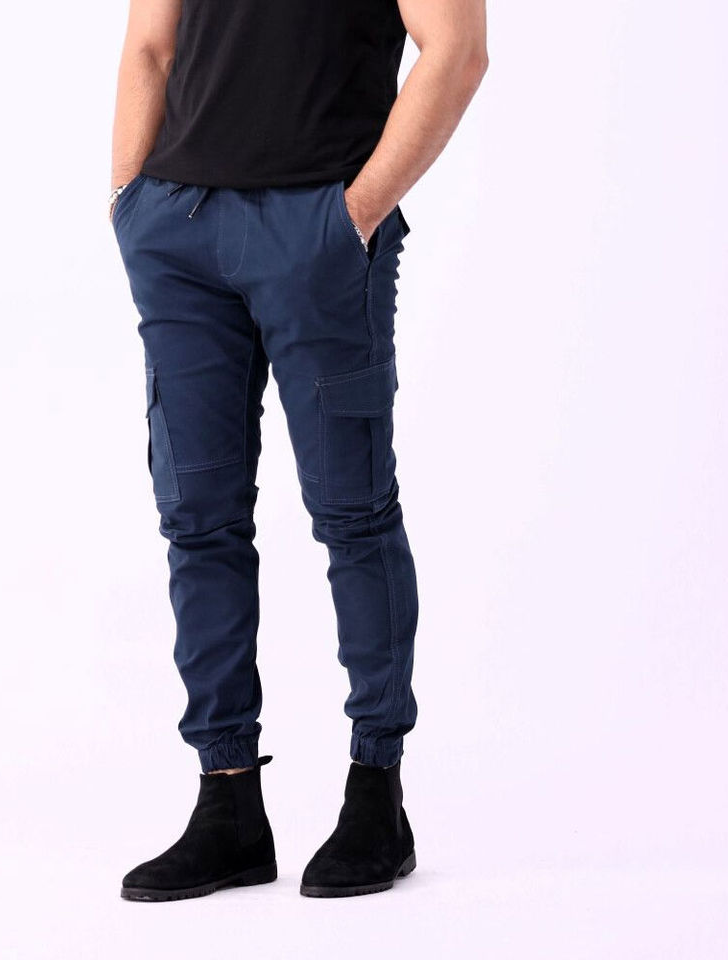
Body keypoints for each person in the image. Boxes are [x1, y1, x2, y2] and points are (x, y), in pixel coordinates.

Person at [109, 0, 488, 901]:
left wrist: (353, 215)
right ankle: (228, 805)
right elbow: (151, 45)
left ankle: (377, 795)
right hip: (179, 228)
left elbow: (458, 51)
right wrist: (131, 203)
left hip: (316, 224)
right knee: (197, 520)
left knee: (354, 514)